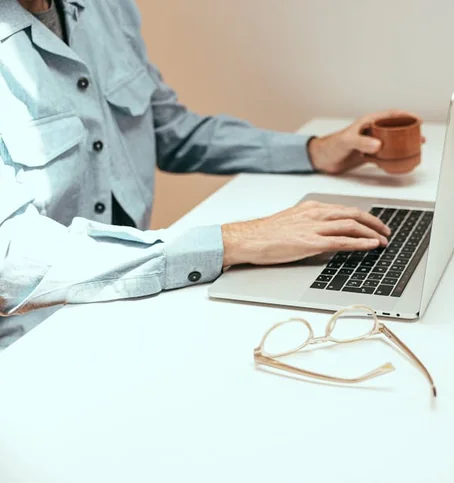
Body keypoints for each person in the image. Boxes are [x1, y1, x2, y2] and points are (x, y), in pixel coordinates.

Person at [0, 0, 423, 349]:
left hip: (139, 301)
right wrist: (230, 242)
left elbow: (169, 130)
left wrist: (314, 152)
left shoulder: (107, 8)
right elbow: (11, 261)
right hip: (36, 341)